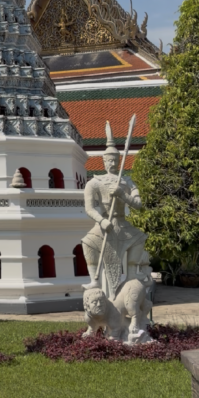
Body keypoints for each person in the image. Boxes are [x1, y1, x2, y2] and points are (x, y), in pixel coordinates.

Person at [82, 121, 150, 297]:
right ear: (103, 161)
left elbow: (138, 204)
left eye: (115, 160)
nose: (112, 162)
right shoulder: (94, 182)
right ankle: (95, 280)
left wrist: (122, 194)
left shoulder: (127, 182)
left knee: (139, 239)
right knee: (87, 242)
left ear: (119, 161)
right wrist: (101, 221)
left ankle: (132, 275)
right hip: (105, 223)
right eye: (109, 160)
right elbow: (89, 208)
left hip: (122, 223)